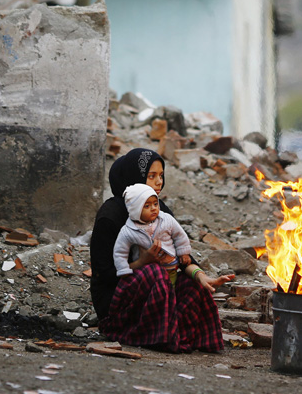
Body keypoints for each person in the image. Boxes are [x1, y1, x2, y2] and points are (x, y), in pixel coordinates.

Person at [90, 148, 234, 353]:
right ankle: (153, 334)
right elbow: (104, 275)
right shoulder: (110, 217)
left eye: (161, 176)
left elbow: (180, 255)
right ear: (134, 178)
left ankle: (177, 335)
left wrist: (201, 276)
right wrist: (143, 262)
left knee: (191, 283)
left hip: (156, 297)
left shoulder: (159, 211)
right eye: (151, 176)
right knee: (155, 272)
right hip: (116, 305)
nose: (159, 182)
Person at [114, 183, 192, 286]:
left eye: (155, 204)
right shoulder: (129, 231)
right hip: (147, 272)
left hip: (170, 267)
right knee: (156, 291)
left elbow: (179, 235)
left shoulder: (166, 220)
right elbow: (120, 252)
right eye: (147, 206)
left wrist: (184, 252)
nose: (153, 208)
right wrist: (123, 269)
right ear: (135, 209)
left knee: (170, 288)